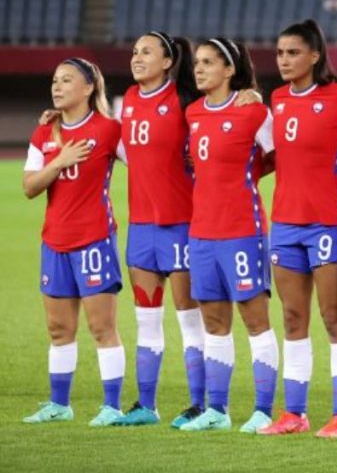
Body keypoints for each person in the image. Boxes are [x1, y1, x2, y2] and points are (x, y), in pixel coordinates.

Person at [258, 20, 337, 438]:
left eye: (293, 53)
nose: (284, 60)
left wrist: (328, 168)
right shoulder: (278, 99)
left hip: (327, 222)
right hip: (285, 222)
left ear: (315, 56)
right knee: (292, 317)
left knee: (333, 316)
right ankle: (294, 414)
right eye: (280, 53)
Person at [179, 38, 279, 434]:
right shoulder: (192, 112)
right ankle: (217, 411)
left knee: (255, 321)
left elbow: (279, 157)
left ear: (230, 69)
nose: (199, 69)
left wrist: (247, 176)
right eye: (197, 62)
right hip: (202, 232)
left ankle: (263, 410)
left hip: (242, 231)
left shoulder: (254, 112)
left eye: (208, 62)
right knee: (214, 323)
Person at [109, 31, 207, 428]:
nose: (136, 58)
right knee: (146, 319)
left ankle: (200, 405)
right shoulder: (130, 100)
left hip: (181, 223)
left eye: (146, 52)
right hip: (142, 226)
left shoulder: (186, 101)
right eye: (134, 52)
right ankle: (146, 406)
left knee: (190, 319)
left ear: (168, 61)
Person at [22, 58, 127, 426]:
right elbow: (29, 187)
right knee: (59, 330)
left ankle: (112, 407)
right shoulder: (45, 131)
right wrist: (58, 161)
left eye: (67, 80)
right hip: (54, 242)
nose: (57, 86)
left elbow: (146, 163)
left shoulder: (109, 130)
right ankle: (59, 405)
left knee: (102, 329)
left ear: (89, 87)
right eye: (55, 80)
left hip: (94, 240)